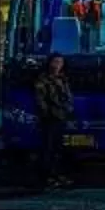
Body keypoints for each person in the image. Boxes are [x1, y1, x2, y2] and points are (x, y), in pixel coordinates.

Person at [35, 54, 76, 187]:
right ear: (50, 63)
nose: (58, 65)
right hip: (50, 118)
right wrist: (47, 113)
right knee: (48, 149)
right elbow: (40, 99)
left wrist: (68, 110)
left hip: (61, 117)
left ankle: (58, 175)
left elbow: (68, 96)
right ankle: (47, 177)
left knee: (59, 149)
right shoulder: (43, 79)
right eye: (55, 62)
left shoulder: (63, 78)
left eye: (60, 62)